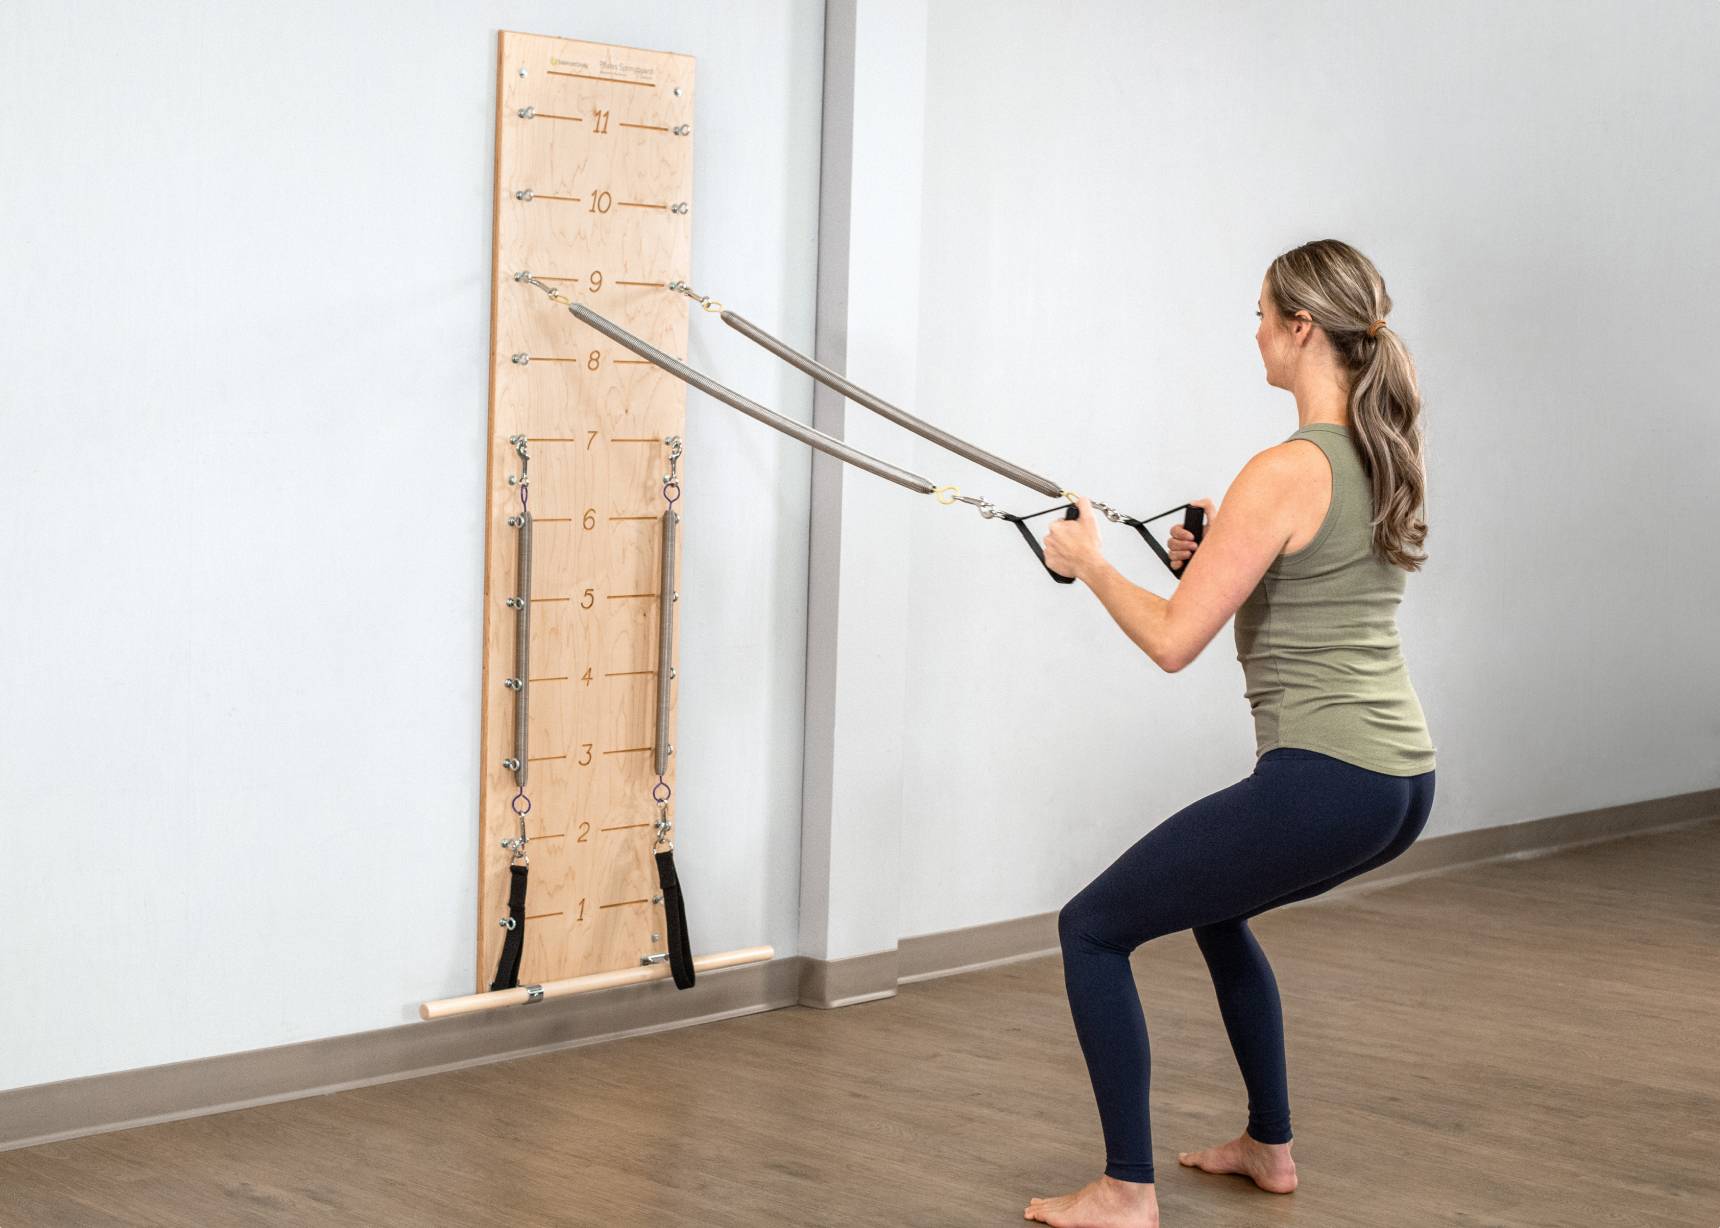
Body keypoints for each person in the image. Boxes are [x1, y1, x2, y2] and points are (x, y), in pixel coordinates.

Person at [1026, 239, 1438, 1228]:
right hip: (1399, 780)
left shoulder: (1284, 467)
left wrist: (1088, 561)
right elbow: (1290, 589)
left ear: (1302, 329)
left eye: (1262, 313)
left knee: (1090, 928)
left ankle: (1124, 1191)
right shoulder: (1371, 452)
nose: (1252, 329)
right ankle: (1269, 1146)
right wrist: (1208, 550)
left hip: (1326, 775)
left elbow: (1174, 642)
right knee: (1215, 907)